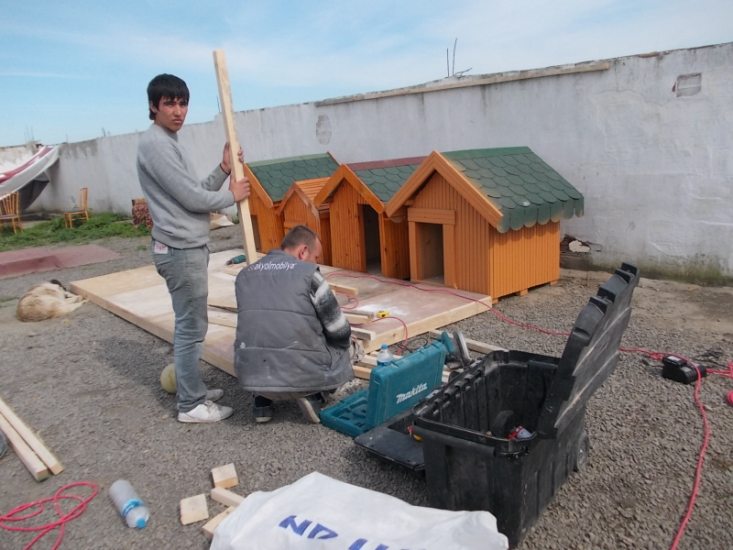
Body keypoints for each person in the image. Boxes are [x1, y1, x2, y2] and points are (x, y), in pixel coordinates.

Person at [137, 73, 250, 423]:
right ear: (154, 106)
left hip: (186, 247)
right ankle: (190, 404)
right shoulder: (156, 144)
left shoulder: (168, 143)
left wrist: (223, 169)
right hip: (180, 250)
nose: (178, 110)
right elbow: (192, 198)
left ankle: (192, 386)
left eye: (182, 102)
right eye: (169, 102)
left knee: (192, 324)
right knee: (190, 328)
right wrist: (231, 195)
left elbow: (194, 187)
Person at [234, 225, 356, 423]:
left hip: (252, 374)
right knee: (344, 346)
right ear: (303, 252)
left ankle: (262, 401)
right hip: (300, 375)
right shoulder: (309, 275)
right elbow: (339, 331)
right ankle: (315, 396)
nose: (317, 263)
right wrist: (345, 342)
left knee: (262, 338)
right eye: (316, 257)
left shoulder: (244, 275)